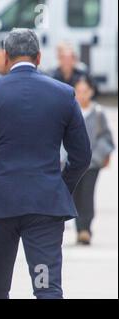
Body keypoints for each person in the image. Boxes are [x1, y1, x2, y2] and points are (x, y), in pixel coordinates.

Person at [0, 29, 92, 299]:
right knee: (46, 287)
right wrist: (59, 185)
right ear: (39, 57)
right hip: (45, 206)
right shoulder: (63, 94)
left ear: (5, 58)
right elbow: (82, 155)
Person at [71, 76, 115, 245]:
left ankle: (85, 229)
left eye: (85, 91)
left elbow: (106, 137)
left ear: (91, 92)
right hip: (72, 163)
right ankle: (78, 227)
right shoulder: (70, 111)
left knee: (87, 195)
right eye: (79, 91)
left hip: (92, 163)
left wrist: (98, 156)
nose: (82, 95)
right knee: (74, 196)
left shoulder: (97, 112)